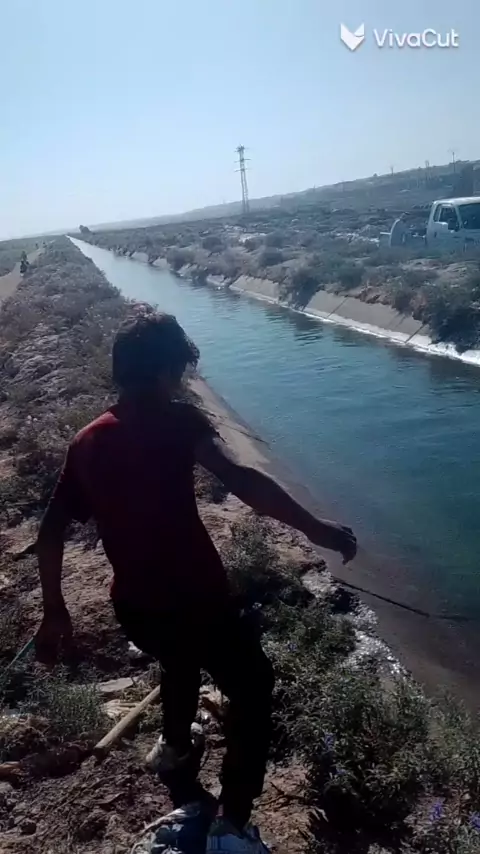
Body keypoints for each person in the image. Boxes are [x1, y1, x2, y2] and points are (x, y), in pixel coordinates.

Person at [35, 308, 357, 854]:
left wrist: (54, 611)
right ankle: (232, 822)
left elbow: (50, 532)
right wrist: (316, 528)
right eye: (180, 369)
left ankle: (174, 750)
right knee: (252, 687)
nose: (182, 379)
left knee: (177, 660)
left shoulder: (87, 441)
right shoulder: (179, 422)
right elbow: (243, 479)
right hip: (200, 602)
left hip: (136, 609)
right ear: (165, 371)